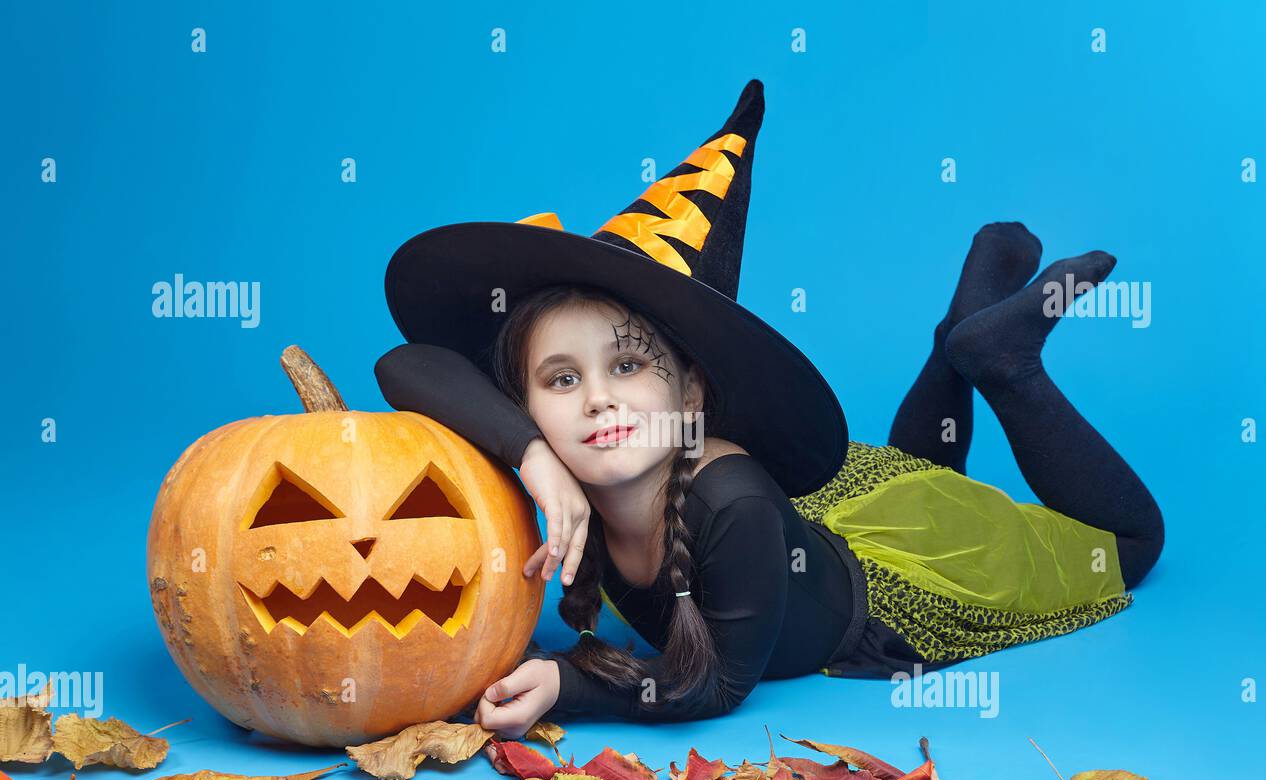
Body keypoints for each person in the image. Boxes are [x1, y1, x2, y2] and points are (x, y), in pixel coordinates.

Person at [374, 80, 1164, 737]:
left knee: (1130, 546)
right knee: (926, 469)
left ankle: (1005, 365)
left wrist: (568, 687)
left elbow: (711, 684)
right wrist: (532, 457)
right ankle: (957, 340)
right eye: (561, 380)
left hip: (882, 586)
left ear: (692, 394)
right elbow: (403, 364)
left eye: (626, 364)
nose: (600, 396)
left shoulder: (735, 505)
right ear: (523, 406)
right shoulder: (570, 461)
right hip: (825, 512)